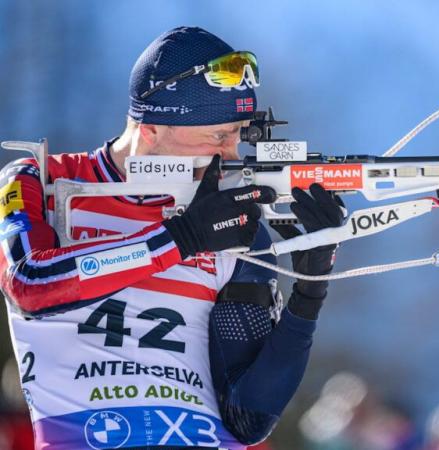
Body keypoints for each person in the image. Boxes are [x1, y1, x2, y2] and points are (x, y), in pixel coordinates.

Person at [0, 26, 343, 449]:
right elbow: (29, 285)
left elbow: (248, 418)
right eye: (219, 136)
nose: (232, 156)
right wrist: (181, 238)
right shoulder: (42, 180)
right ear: (151, 130)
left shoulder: (230, 224)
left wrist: (308, 297)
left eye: (239, 134)